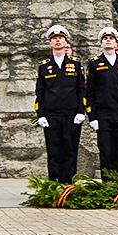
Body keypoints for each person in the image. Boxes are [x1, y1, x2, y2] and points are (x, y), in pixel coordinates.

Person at [85, 26, 118, 182]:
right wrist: (92, 116)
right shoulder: (94, 64)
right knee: (106, 152)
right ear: (101, 43)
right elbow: (90, 92)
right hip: (103, 114)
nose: (108, 40)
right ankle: (107, 185)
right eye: (105, 38)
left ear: (116, 43)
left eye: (111, 38)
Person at [35, 24, 85, 182]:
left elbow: (81, 90)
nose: (57, 41)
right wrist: (40, 114)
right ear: (50, 44)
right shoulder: (44, 66)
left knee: (70, 149)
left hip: (71, 114)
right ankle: (54, 183)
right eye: (54, 39)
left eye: (60, 38)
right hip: (51, 114)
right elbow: (40, 92)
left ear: (66, 42)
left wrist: (80, 111)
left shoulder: (76, 64)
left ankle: (69, 183)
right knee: (54, 150)